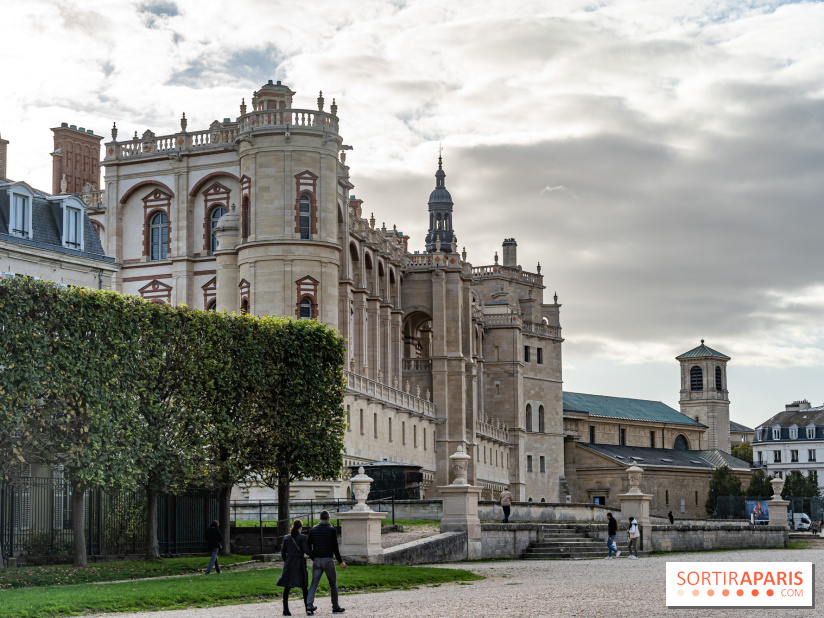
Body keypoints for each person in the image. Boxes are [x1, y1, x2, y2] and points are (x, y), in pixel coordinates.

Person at [306, 511, 347, 614]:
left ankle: (309, 606)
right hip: (328, 560)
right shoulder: (331, 530)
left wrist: (313, 556)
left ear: (320, 518)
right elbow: (335, 548)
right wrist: (341, 562)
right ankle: (335, 607)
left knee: (314, 584)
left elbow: (308, 545)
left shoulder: (314, 529)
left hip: (317, 560)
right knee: (333, 584)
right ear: (328, 518)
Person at [277, 519, 312, 616]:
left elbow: (283, 552)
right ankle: (308, 608)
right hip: (299, 562)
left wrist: (287, 560)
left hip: (289, 562)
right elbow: (306, 550)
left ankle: (285, 609)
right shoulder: (303, 537)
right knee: (304, 586)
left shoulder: (286, 538)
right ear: (301, 527)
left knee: (287, 586)